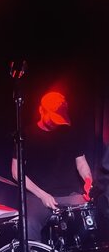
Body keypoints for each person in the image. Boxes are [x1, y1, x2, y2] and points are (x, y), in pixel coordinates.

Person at [11, 91, 93, 242]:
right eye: (53, 117)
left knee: (91, 218)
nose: (56, 123)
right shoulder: (25, 135)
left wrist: (89, 182)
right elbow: (16, 171)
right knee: (28, 223)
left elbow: (81, 163)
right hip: (37, 196)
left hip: (70, 195)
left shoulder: (70, 133)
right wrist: (42, 195)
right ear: (41, 110)